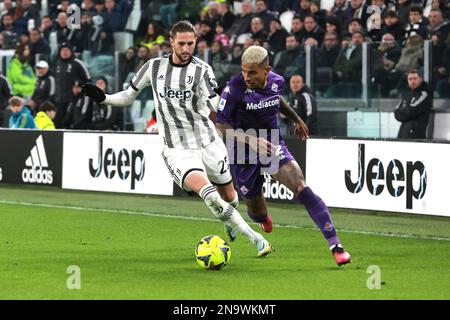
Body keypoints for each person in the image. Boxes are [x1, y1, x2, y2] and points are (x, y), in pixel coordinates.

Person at [82, 20, 272, 257]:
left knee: (230, 198)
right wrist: (104, 98)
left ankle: (229, 218)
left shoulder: (202, 70)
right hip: (177, 148)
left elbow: (215, 104)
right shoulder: (153, 67)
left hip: (208, 142)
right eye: (181, 43)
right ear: (171, 42)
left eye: (190, 43)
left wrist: (239, 112)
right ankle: (256, 239)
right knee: (210, 196)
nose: (186, 49)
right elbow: (129, 96)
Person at [215, 45, 351, 266]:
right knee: (255, 208)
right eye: (244, 71)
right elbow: (220, 125)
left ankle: (336, 245)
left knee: (300, 185)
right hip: (242, 148)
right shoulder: (233, 88)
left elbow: (277, 100)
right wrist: (251, 140)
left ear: (266, 70)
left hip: (271, 142)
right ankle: (262, 218)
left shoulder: (278, 81)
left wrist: (296, 118)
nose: (246, 77)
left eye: (252, 72)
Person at [394, 69, 432, 139]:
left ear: (420, 79)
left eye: (415, 78)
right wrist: (405, 112)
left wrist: (404, 112)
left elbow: (411, 111)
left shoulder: (424, 95)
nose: (412, 81)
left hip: (416, 137)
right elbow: (396, 112)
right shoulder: (406, 95)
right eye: (410, 79)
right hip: (402, 135)